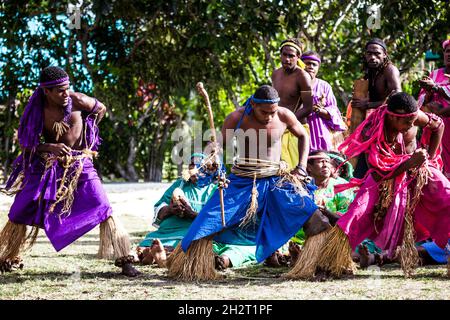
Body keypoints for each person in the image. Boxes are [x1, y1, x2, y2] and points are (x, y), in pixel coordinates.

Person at [166, 85, 332, 281]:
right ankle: (190, 266)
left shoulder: (284, 115)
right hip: (243, 181)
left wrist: (302, 167)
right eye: (265, 112)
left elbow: (304, 135)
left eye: (273, 111)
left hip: (277, 180)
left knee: (315, 218)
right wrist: (210, 159)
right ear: (253, 104)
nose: (270, 116)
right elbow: (218, 146)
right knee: (208, 220)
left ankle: (320, 265)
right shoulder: (237, 118)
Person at [0, 66, 138, 277]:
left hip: (80, 163)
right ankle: (6, 256)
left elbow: (101, 109)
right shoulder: (36, 109)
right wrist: (49, 147)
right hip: (47, 165)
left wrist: (89, 129)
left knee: (102, 206)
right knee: (20, 208)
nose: (66, 94)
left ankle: (125, 259)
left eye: (67, 88)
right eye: (60, 91)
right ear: (47, 91)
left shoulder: (79, 100)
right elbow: (26, 145)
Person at [305, 92, 449, 279]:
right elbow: (377, 170)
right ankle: (328, 263)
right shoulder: (372, 129)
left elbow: (438, 124)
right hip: (384, 176)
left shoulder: (413, 116)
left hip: (418, 170)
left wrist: (428, 158)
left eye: (414, 120)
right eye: (406, 122)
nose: (411, 126)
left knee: (447, 197)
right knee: (356, 214)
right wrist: (409, 164)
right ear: (393, 116)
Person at [137, 153, 256, 270]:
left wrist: (191, 214)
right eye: (191, 165)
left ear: (208, 170)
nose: (193, 169)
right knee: (152, 240)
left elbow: (216, 221)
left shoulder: (215, 190)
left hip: (192, 233)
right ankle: (148, 254)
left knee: (192, 243)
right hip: (169, 231)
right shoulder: (180, 185)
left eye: (197, 166)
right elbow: (159, 208)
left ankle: (161, 256)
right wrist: (170, 209)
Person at [352, 38, 402, 178]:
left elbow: (396, 95)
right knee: (364, 160)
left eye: (377, 53)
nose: (372, 57)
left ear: (385, 54)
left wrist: (367, 105)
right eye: (369, 53)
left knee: (382, 162)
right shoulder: (371, 71)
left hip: (389, 123)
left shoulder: (390, 70)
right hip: (375, 122)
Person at [272, 38, 314, 169]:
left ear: (298, 57)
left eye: (291, 56)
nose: (287, 59)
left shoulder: (302, 76)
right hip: (277, 128)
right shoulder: (276, 74)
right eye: (284, 55)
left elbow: (308, 107)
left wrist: (288, 122)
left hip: (296, 131)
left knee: (292, 172)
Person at [301, 51, 347, 151]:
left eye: (314, 64)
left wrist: (317, 109)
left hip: (319, 132)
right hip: (299, 128)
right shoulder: (293, 84)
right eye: (307, 63)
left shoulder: (324, 86)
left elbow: (333, 111)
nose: (310, 67)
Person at [418, 39, 450, 179]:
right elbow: (421, 100)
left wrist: (436, 87)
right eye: (447, 51)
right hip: (433, 128)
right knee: (432, 163)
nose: (449, 55)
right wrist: (429, 93)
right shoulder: (435, 74)